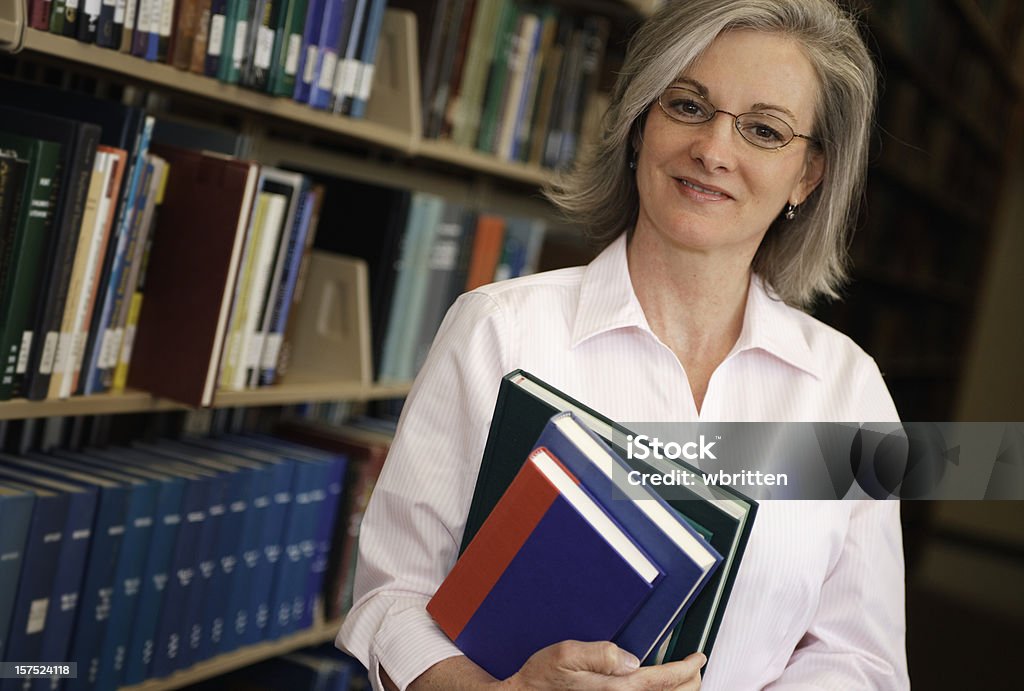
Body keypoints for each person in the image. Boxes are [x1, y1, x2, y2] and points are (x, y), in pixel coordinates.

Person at [338, 0, 910, 688]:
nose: (713, 150)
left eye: (764, 129)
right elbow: (392, 595)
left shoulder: (849, 390)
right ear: (640, 122)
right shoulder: (500, 331)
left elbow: (859, 659)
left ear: (809, 175)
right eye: (689, 105)